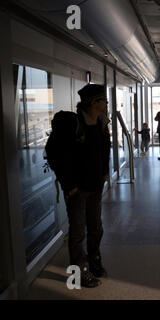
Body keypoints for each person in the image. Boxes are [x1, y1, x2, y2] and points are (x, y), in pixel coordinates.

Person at [51, 84, 111, 288]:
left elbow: (104, 152)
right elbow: (55, 156)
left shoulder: (102, 123)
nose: (106, 103)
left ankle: (94, 262)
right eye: (104, 100)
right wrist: (70, 186)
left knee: (96, 228)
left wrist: (103, 175)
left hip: (95, 186)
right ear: (93, 102)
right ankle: (78, 274)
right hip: (77, 189)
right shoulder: (73, 124)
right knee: (77, 233)